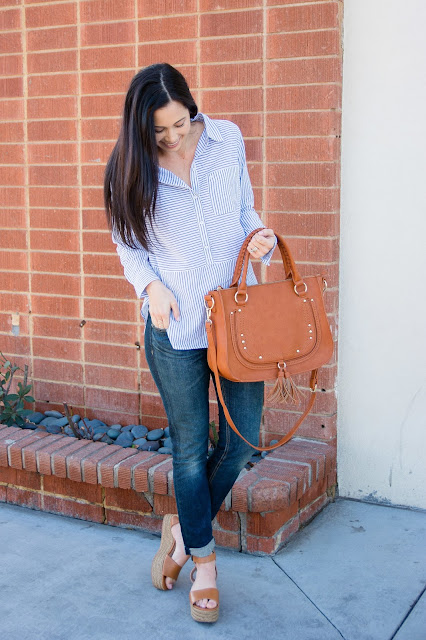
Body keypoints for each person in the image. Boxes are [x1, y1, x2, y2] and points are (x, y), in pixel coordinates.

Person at [104, 62, 276, 624]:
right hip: (175, 327)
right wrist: (149, 286)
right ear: (141, 128)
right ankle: (203, 562)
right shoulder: (129, 167)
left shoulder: (226, 140)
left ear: (191, 108)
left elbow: (245, 210)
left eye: (180, 124)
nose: (173, 137)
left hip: (237, 319)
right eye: (159, 131)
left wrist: (259, 237)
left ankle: (180, 532)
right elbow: (127, 243)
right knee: (188, 448)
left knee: (242, 440)